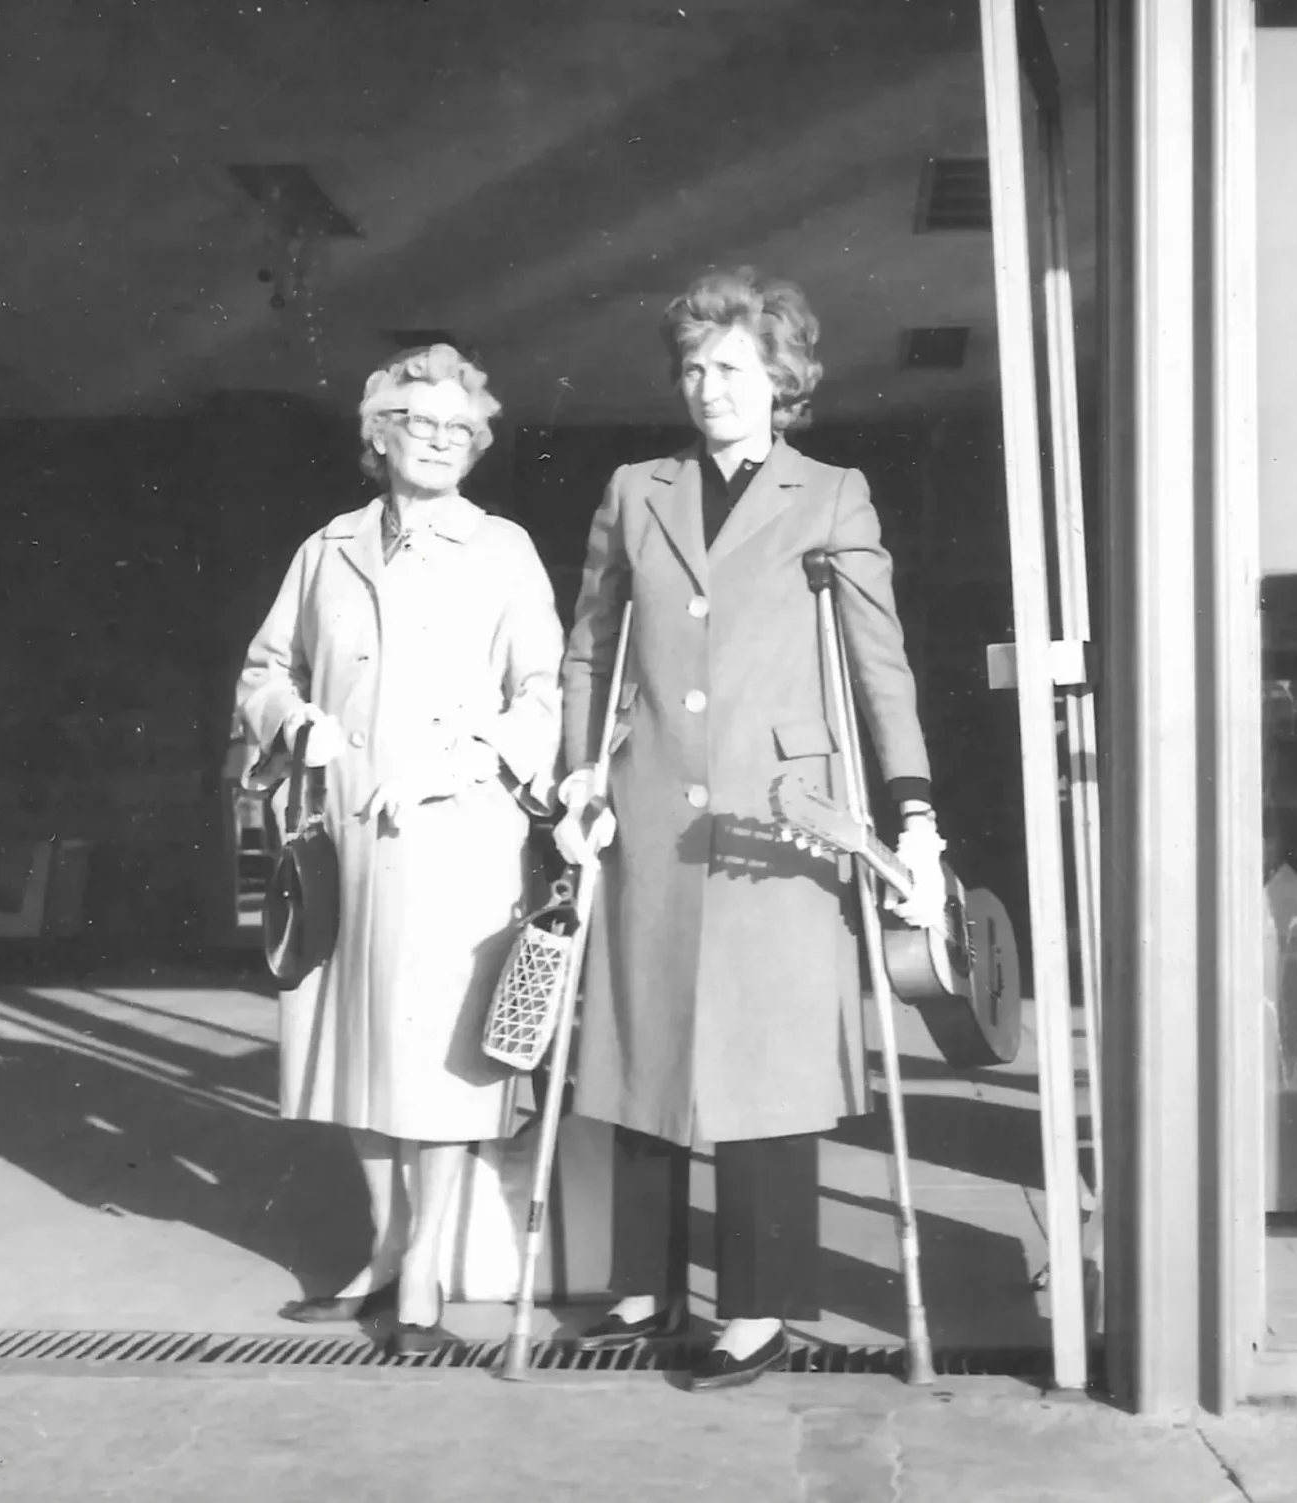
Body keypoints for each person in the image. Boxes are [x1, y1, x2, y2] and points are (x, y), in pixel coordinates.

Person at [555, 267, 946, 1391]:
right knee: (642, 1031)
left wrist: (912, 808)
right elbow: (594, 643)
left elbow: (877, 661)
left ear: (781, 380)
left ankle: (760, 1309)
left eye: (730, 367)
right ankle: (645, 1282)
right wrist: (581, 773)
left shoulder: (828, 495)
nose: (707, 386)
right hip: (649, 798)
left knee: (763, 1057)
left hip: (783, 818)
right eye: (692, 367)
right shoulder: (638, 489)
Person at [237, 344, 563, 1352]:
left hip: (458, 839)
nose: (438, 442)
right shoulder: (325, 547)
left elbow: (545, 693)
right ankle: (384, 1251)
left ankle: (421, 1276)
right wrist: (297, 723)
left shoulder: (504, 549)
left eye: (459, 429)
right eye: (417, 423)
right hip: (347, 837)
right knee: (356, 1048)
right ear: (378, 434)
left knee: (443, 1061)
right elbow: (265, 667)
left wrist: (468, 761)